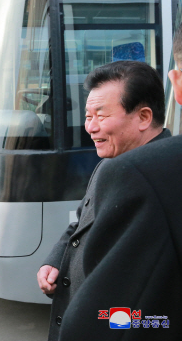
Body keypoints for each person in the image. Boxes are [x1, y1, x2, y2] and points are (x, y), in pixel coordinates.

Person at [36, 61, 170, 340]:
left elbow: (161, 316)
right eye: (88, 116)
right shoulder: (111, 162)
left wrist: (95, 320)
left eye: (101, 115)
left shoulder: (168, 178)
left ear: (144, 117)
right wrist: (56, 261)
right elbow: (80, 224)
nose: (91, 127)